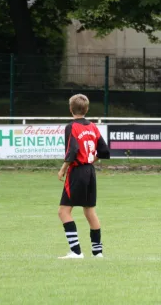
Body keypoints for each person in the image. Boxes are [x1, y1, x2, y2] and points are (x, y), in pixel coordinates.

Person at [57, 94, 110, 259]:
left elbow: (72, 151)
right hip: (90, 172)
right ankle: (98, 252)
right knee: (89, 212)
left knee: (63, 211)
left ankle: (76, 252)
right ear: (86, 109)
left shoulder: (71, 126)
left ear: (70, 109)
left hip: (77, 172)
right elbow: (105, 151)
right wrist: (90, 159)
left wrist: (63, 168)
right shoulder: (93, 126)